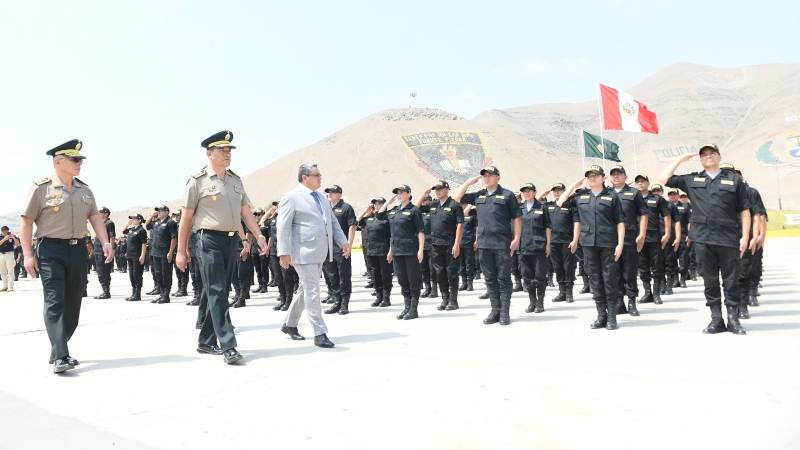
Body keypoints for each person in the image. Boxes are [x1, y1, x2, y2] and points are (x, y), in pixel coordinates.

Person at [19, 139, 114, 373]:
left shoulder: (85, 190)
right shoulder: (41, 188)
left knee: (73, 302)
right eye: (74, 160)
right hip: (50, 250)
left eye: (80, 160)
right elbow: (27, 221)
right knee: (55, 301)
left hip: (78, 250)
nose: (79, 163)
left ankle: (57, 345)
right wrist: (28, 255)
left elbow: (95, 218)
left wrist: (106, 242)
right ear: (58, 161)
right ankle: (61, 355)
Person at [175, 130, 267, 364]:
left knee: (220, 290)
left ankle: (206, 341)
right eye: (222, 150)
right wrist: (181, 251)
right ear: (209, 153)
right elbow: (186, 218)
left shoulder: (236, 180)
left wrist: (257, 235)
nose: (227, 154)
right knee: (217, 290)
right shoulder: (197, 181)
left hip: (231, 240)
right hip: (207, 240)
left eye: (229, 151)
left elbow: (245, 211)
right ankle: (228, 344)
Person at [658, 145, 751, 334]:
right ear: (700, 159)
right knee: (709, 280)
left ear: (719, 156)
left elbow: (744, 210)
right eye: (704, 155)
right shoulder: (692, 179)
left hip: (728, 238)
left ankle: (733, 319)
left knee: (731, 280)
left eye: (712, 154)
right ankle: (716, 319)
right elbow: (662, 179)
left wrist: (746, 237)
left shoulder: (733, 180)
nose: (708, 157)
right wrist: (680, 159)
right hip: (703, 238)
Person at [277, 164, 350, 348]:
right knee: (313, 291)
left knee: (306, 289)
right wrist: (283, 252)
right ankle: (319, 332)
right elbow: (283, 227)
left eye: (320, 174)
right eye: (316, 175)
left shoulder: (321, 198)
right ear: (304, 177)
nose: (320, 178)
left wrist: (343, 242)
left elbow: (332, 223)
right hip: (303, 252)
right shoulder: (291, 197)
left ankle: (289, 324)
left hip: (320, 251)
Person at [453, 165, 521, 326]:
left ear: (498, 177)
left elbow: (517, 218)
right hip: (484, 244)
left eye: (490, 175)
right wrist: (468, 183)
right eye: (485, 175)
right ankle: (495, 310)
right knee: (489, 279)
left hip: (502, 243)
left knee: (503, 278)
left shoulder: (507, 195)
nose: (487, 177)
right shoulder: (479, 195)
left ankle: (504, 312)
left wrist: (517, 238)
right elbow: (455, 199)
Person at [558, 165, 625, 330]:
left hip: (608, 243)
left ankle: (611, 317)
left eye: (595, 175)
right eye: (589, 176)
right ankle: (601, 315)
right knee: (595, 280)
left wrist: (620, 244)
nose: (592, 178)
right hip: (588, 244)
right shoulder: (581, 197)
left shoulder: (612, 196)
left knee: (609, 280)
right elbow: (560, 202)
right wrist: (575, 184)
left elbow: (620, 222)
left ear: (603, 177)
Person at [381, 184, 425, 320]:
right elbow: (380, 215)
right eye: (397, 193)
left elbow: (420, 231)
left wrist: (421, 249)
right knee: (402, 279)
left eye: (401, 192)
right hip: (397, 250)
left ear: (408, 194)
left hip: (411, 250)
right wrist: (389, 202)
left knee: (413, 280)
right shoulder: (394, 211)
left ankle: (413, 308)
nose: (399, 195)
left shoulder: (414, 210)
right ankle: (406, 307)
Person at [608, 166, 647, 316]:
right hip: (611, 238)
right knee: (614, 271)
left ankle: (632, 302)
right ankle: (619, 302)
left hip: (630, 237)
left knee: (630, 270)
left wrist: (642, 234)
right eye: (613, 175)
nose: (616, 177)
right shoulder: (607, 193)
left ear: (625, 176)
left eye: (619, 174)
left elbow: (643, 214)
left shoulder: (634, 193)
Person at [421, 180, 464, 311]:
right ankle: (444, 299)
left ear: (447, 189)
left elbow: (460, 225)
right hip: (435, 245)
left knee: (451, 272)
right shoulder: (433, 204)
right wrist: (423, 195)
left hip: (450, 244)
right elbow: (415, 209)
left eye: (440, 189)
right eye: (436, 189)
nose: (437, 191)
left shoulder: (454, 205)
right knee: (439, 273)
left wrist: (457, 243)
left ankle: (453, 300)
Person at [634, 175, 671, 305]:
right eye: (637, 182)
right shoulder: (632, 198)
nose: (640, 183)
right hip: (638, 237)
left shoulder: (657, 199)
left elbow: (666, 215)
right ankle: (647, 293)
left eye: (642, 181)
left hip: (654, 237)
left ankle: (656, 294)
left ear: (648, 183)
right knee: (642, 267)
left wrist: (667, 233)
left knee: (657, 266)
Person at [540, 182, 578, 303]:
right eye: (554, 190)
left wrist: (575, 240)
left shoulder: (571, 205)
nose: (557, 192)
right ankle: (562, 292)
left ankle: (569, 293)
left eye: (559, 190)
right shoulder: (548, 206)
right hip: (553, 242)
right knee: (557, 267)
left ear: (564, 191)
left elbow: (576, 223)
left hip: (567, 241)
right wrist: (542, 194)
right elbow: (534, 202)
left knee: (568, 267)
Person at [323, 184, 357, 315]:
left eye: (332, 192)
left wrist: (349, 244)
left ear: (340, 194)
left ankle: (344, 304)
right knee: (332, 276)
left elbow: (352, 226)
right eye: (328, 192)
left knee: (344, 276)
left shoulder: (346, 208)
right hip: (328, 248)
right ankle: (336, 302)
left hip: (341, 248)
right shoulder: (325, 208)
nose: (329, 194)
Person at [517, 183, 551, 313]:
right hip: (524, 247)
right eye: (524, 191)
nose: (527, 193)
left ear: (535, 192)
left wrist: (548, 244)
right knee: (527, 276)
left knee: (540, 275)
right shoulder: (520, 209)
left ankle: (540, 303)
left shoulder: (542, 207)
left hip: (539, 247)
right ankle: (532, 302)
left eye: (529, 191)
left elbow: (548, 226)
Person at [358, 197, 393, 307]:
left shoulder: (388, 218)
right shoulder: (369, 218)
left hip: (384, 251)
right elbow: (356, 221)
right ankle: (379, 297)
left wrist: (391, 251)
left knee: (385, 275)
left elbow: (393, 236)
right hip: (371, 251)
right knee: (375, 275)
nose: (377, 205)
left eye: (379, 203)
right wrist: (366, 211)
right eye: (375, 204)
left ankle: (386, 298)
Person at [266, 202, 297, 311]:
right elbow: (264, 226)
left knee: (287, 277)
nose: (277, 207)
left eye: (279, 205)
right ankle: (283, 300)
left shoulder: (289, 218)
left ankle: (289, 301)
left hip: (285, 252)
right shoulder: (273, 219)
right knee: (278, 277)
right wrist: (270, 212)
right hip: (274, 252)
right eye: (276, 206)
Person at [147, 206, 177, 304]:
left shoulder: (170, 222)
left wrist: (171, 252)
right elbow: (147, 226)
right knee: (158, 274)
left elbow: (174, 238)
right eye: (158, 211)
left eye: (160, 211)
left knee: (166, 274)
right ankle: (161, 294)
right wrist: (152, 215)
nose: (158, 213)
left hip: (165, 253)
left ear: (167, 212)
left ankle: (166, 296)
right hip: (155, 253)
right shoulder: (156, 223)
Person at [90, 206, 115, 299]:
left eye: (100, 212)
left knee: (104, 271)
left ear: (106, 214)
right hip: (97, 250)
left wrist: (111, 250)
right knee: (100, 271)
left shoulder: (109, 223)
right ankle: (104, 290)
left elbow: (112, 237)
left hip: (104, 252)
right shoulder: (100, 223)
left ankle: (106, 292)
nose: (98, 214)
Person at [123, 214, 148, 301]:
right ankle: (133, 293)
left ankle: (137, 295)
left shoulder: (142, 230)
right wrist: (128, 224)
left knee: (137, 274)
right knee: (131, 275)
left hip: (137, 256)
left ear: (139, 220)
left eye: (134, 219)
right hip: (130, 256)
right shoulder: (131, 229)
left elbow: (144, 244)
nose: (132, 220)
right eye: (132, 219)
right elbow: (124, 231)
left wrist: (142, 255)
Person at [458, 203, 477, 292]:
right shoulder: (458, 213)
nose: (462, 204)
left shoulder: (472, 214)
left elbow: (477, 228)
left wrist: (476, 240)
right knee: (461, 264)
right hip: (460, 242)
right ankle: (464, 282)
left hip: (469, 242)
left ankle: (470, 283)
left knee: (469, 264)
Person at [0, 227, 16, 291]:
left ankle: (10, 286)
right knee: (2, 271)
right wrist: (4, 239)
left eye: (6, 231)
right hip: (1, 254)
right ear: (1, 231)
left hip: (10, 254)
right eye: (3, 231)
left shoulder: (12, 237)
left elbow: (18, 244)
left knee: (10, 271)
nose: (5, 233)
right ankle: (5, 286)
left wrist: (13, 238)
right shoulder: (0, 237)